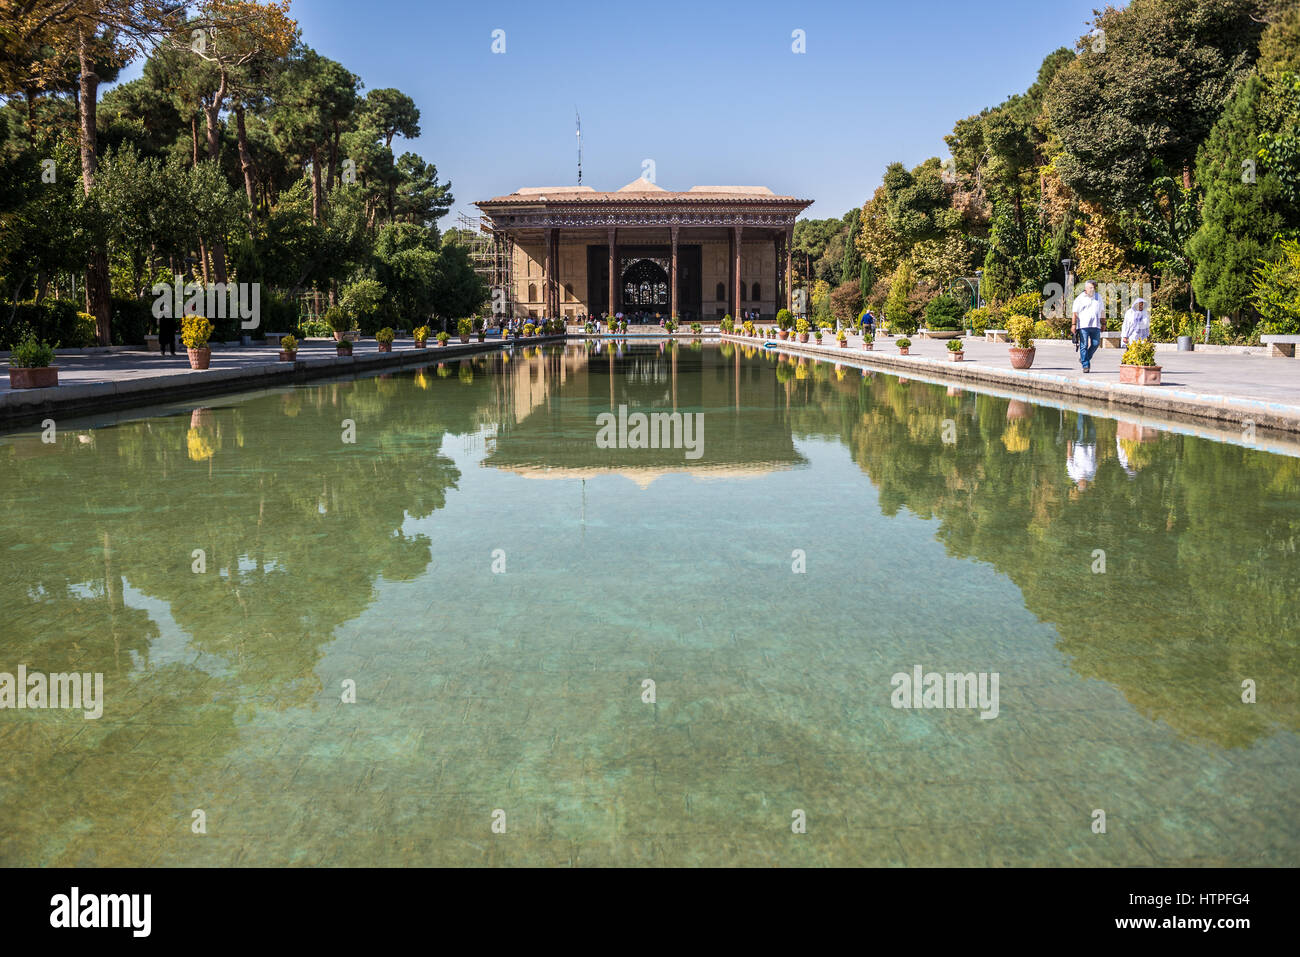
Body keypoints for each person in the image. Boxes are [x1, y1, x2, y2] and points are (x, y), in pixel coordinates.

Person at [1071, 280, 1105, 374]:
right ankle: (1085, 365)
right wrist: (1073, 325)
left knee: (1096, 344)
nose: (1092, 289)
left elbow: (1102, 311)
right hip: (1083, 326)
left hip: (1096, 325)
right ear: (1085, 288)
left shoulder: (1099, 297)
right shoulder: (1079, 298)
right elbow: (1074, 313)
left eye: (1094, 287)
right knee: (1084, 345)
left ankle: (1083, 358)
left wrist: (1104, 323)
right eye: (1090, 287)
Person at [1067, 413, 1098, 492]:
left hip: (1079, 447)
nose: (1084, 483)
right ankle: (1087, 412)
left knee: (1081, 428)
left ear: (1078, 483)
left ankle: (1081, 411)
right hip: (1091, 446)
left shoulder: (1073, 474)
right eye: (1085, 485)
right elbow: (1096, 460)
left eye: (1083, 485)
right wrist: (1098, 447)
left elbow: (1069, 458)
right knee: (1092, 428)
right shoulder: (1091, 476)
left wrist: (1069, 445)